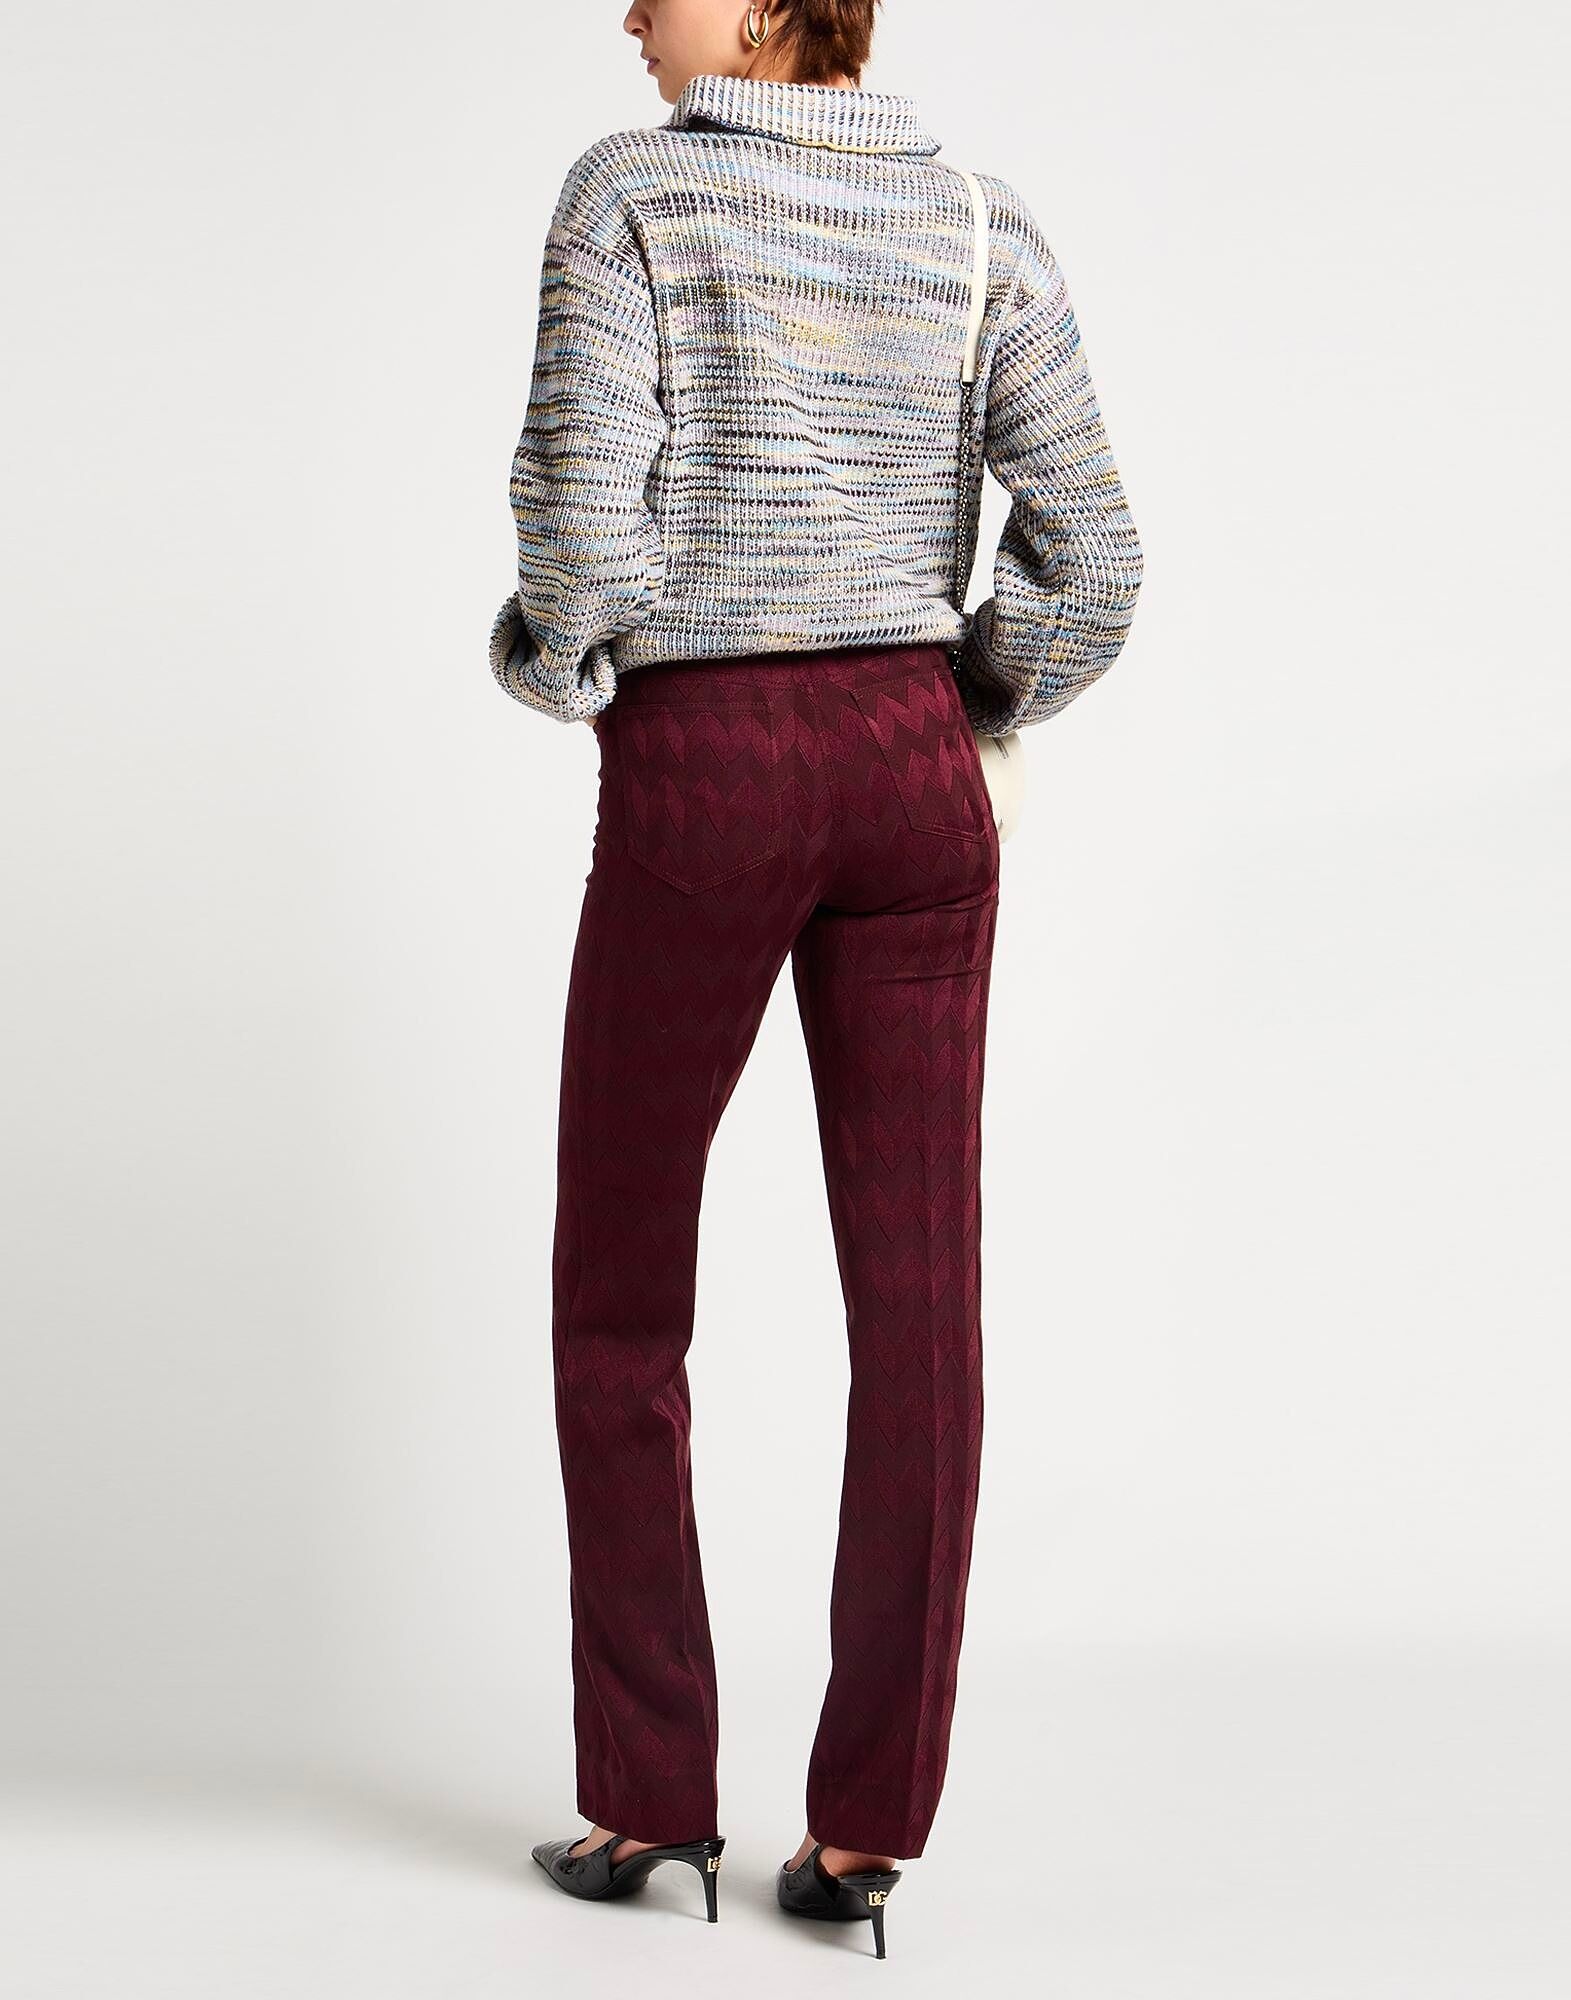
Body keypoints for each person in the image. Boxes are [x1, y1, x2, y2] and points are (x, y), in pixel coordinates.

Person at [490, 0, 1144, 1958]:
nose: (626, 12)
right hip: (915, 774)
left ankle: (649, 1796)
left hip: (709, 767)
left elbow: (581, 517)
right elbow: (1097, 554)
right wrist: (967, 702)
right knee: (922, 1308)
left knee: (622, 1296)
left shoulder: (632, 197)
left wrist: (559, 658)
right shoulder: (977, 216)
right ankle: (865, 1835)